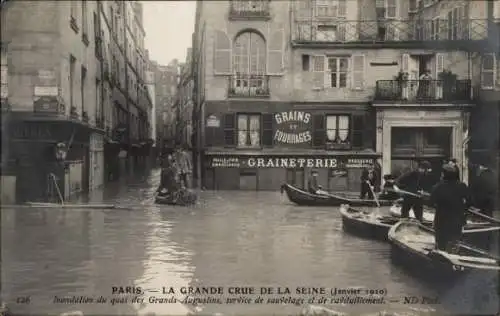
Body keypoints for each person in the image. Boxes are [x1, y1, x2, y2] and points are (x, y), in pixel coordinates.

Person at [430, 164, 472, 252]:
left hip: (441, 219)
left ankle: (441, 259)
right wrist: (463, 209)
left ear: (444, 174)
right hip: (457, 219)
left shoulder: (438, 186)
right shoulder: (462, 185)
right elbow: (470, 201)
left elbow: (431, 202)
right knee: (454, 241)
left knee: (441, 243)